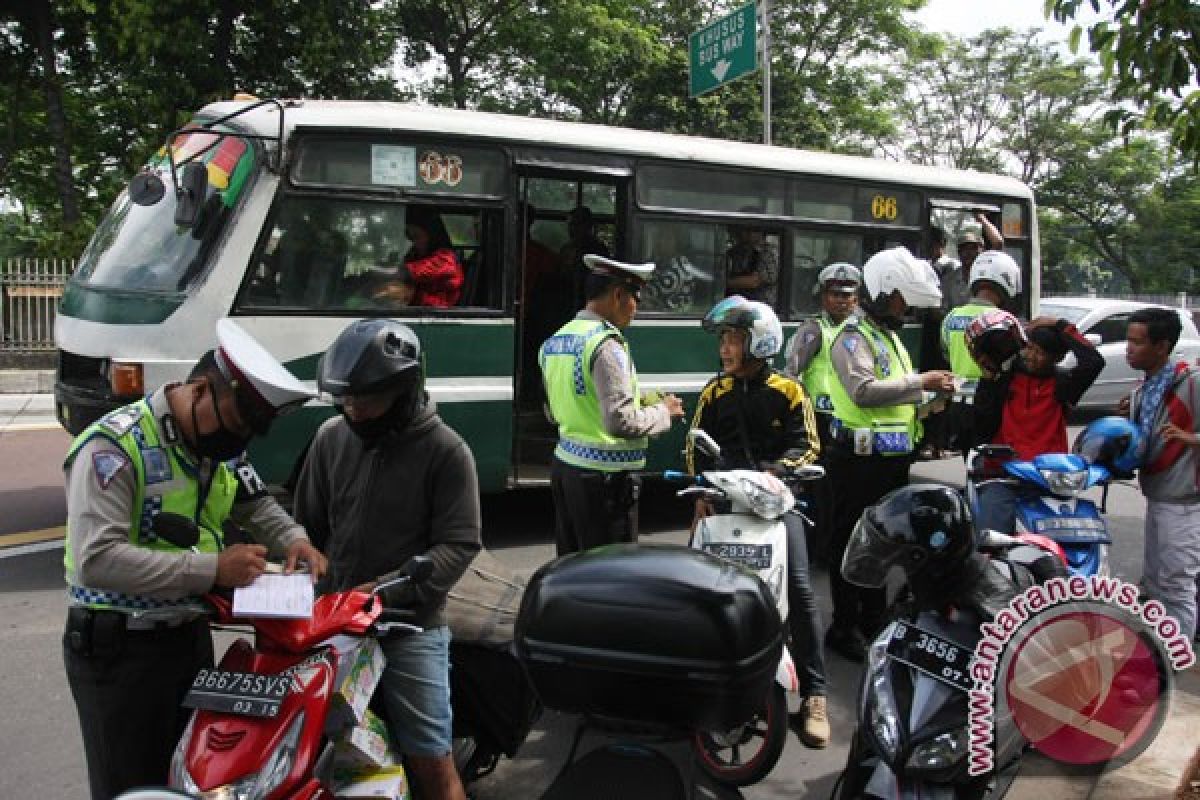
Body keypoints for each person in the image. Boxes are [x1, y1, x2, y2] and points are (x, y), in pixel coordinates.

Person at [62, 319, 328, 800]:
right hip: (119, 652)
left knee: (194, 780)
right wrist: (213, 569)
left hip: (188, 640)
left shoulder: (216, 445)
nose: (238, 440)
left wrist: (294, 537)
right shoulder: (116, 446)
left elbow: (256, 503)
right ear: (202, 389)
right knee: (132, 788)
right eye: (235, 423)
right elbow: (95, 560)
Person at [293, 319, 482, 800]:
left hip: (409, 627)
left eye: (365, 398)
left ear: (402, 391)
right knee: (304, 749)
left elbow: (458, 544)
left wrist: (386, 588)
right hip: (333, 621)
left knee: (431, 762)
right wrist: (298, 566)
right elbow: (308, 525)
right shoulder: (331, 438)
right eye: (345, 398)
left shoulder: (447, 451)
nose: (352, 409)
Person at [687, 295, 831, 749]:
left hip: (777, 506)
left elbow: (808, 445)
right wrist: (701, 491)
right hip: (726, 506)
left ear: (759, 342)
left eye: (734, 339)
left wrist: (776, 474)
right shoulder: (716, 392)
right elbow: (694, 446)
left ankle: (815, 694)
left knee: (802, 592)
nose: (725, 348)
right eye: (725, 339)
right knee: (697, 588)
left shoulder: (789, 390)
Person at [824, 246, 953, 661]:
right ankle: (843, 627)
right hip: (855, 462)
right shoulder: (851, 338)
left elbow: (899, 407)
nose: (905, 308)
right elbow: (862, 392)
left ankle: (871, 621)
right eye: (900, 299)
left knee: (883, 544)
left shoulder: (891, 339)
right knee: (850, 544)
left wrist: (933, 400)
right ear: (882, 292)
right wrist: (922, 381)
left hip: (890, 463)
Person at [539, 254, 686, 556]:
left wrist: (640, 401)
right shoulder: (606, 345)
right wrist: (664, 411)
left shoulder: (555, 341)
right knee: (610, 574)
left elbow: (557, 410)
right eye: (636, 297)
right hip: (604, 483)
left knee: (572, 568)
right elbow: (620, 422)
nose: (637, 307)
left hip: (566, 470)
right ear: (618, 295)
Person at [969, 312, 1104, 533]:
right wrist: (987, 380)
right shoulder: (1005, 379)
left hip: (1048, 477)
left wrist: (1060, 323)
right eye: (1029, 348)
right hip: (1003, 474)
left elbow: (1093, 361)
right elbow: (982, 421)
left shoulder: (1063, 384)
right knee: (991, 537)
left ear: (1057, 358)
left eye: (1040, 352)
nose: (1030, 356)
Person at [1123, 307, 1200, 641]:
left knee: (1175, 582)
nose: (1128, 349)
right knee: (1155, 582)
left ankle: (1175, 654)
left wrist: (1191, 438)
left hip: (1184, 500)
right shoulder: (1147, 388)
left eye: (1136, 342)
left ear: (1162, 346)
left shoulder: (1192, 382)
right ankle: (1161, 646)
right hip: (1158, 495)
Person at [783, 262, 861, 563]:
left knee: (848, 492)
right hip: (822, 420)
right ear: (823, 297)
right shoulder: (815, 329)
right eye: (834, 294)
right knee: (823, 492)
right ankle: (821, 551)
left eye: (847, 294)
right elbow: (791, 372)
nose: (841, 300)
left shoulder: (862, 330)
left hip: (854, 420)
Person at [940, 250, 1023, 454]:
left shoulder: (950, 318)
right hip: (990, 405)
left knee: (970, 465)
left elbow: (946, 355)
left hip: (957, 406)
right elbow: (1016, 362)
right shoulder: (1005, 320)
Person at [373, 206, 464, 308]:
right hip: (417, 312)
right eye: (410, 237)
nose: (414, 242)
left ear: (432, 235)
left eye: (417, 236)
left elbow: (409, 271)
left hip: (438, 317)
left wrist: (376, 271)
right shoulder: (416, 254)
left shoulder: (446, 259)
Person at [939, 212, 1004, 310]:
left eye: (973, 248)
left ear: (981, 251)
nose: (969, 253)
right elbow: (943, 311)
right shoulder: (949, 280)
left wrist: (981, 218)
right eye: (964, 249)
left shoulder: (987, 274)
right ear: (959, 252)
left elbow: (998, 243)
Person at [558, 205, 610, 304]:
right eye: (570, 225)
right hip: (566, 297)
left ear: (587, 226)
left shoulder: (598, 250)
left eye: (576, 225)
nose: (571, 229)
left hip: (588, 299)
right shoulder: (567, 249)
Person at [724, 219, 779, 304]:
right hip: (737, 304)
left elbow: (754, 281)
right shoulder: (736, 252)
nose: (739, 234)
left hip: (763, 308)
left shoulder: (769, 252)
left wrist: (724, 282)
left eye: (744, 229)